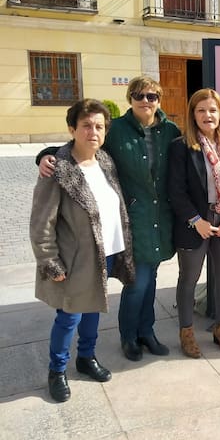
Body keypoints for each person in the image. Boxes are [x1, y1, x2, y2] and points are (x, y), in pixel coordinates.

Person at [38, 76, 181, 361]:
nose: (145, 101)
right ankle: (130, 336)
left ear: (159, 100)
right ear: (130, 98)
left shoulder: (171, 131)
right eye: (139, 95)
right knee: (137, 281)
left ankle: (146, 331)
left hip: (161, 219)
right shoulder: (116, 130)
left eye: (152, 96)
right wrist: (46, 155)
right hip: (133, 217)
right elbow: (82, 145)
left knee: (151, 277)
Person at [30, 99, 135, 403]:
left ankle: (86, 357)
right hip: (74, 259)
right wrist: (50, 262)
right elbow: (41, 223)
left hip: (107, 252)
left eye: (99, 126)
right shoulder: (57, 169)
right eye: (86, 125)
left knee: (94, 307)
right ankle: (57, 370)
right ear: (72, 129)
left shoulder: (105, 160)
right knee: (69, 317)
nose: (93, 132)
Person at [168, 89, 220, 356]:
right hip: (194, 224)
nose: (207, 115)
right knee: (188, 280)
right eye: (201, 110)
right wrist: (196, 220)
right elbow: (175, 191)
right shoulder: (181, 147)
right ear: (193, 114)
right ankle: (187, 333)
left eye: (212, 110)